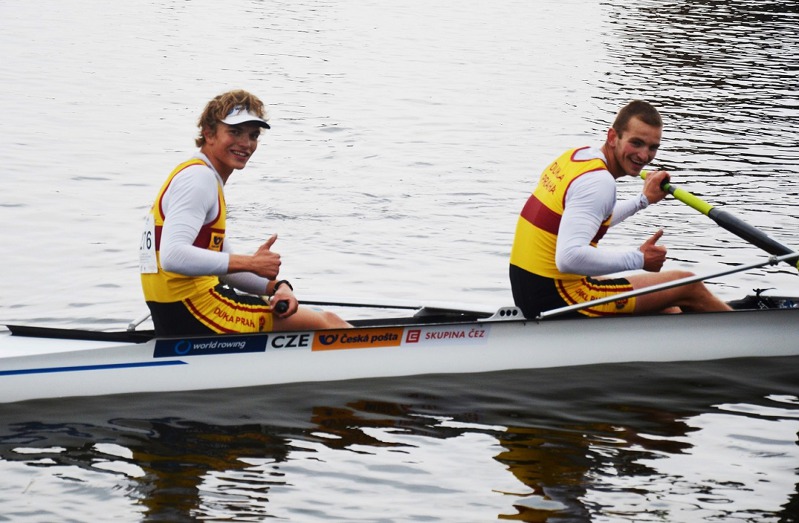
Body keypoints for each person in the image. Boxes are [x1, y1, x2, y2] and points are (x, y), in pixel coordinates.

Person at [140, 89, 351, 336]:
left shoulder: (196, 175)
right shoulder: (199, 179)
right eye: (235, 132)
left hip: (180, 312)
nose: (246, 144)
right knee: (328, 323)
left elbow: (224, 268)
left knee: (312, 319)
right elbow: (172, 256)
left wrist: (277, 287)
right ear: (209, 134)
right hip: (198, 311)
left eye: (253, 135)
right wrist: (251, 263)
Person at [509, 100, 731, 318]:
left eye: (653, 147)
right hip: (559, 296)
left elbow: (589, 218)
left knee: (667, 303)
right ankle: (744, 336)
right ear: (613, 137)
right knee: (687, 284)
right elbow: (568, 259)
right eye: (636, 143)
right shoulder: (599, 182)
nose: (644, 156)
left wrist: (643, 200)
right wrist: (639, 260)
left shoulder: (575, 158)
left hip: (532, 288)